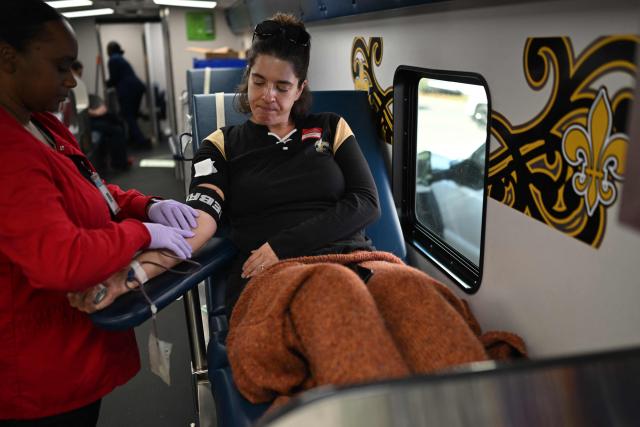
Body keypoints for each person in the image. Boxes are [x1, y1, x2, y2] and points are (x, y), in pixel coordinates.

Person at [70, 12, 524, 413]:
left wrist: (283, 244)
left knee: (415, 291)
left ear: (300, 88)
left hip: (356, 259)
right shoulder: (222, 144)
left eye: (282, 86)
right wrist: (129, 275)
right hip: (275, 278)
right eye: (259, 82)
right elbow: (198, 224)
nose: (268, 96)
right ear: (247, 79)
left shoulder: (332, 128)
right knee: (332, 290)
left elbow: (365, 204)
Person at [0, 1, 200, 424]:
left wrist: (147, 205)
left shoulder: (39, 124)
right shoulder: (8, 152)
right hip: (39, 370)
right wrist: (141, 235)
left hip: (75, 347)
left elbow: (89, 187)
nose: (73, 81)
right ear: (7, 57)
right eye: (61, 67)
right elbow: (62, 260)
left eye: (76, 67)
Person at [71, 60, 131, 172]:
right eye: (78, 74)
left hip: (88, 119)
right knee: (116, 130)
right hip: (85, 123)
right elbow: (77, 111)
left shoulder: (77, 86)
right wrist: (94, 112)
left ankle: (120, 161)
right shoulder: (71, 88)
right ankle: (119, 163)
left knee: (118, 123)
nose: (80, 77)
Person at [105, 40, 149, 149]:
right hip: (137, 87)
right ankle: (134, 139)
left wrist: (106, 83)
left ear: (110, 50)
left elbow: (114, 78)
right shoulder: (120, 58)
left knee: (128, 116)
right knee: (132, 115)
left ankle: (141, 141)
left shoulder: (112, 59)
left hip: (128, 90)